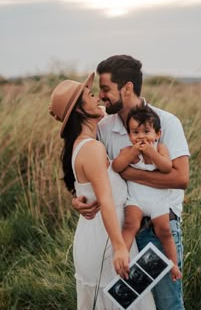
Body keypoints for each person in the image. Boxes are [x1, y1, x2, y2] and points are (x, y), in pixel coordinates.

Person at [72, 55, 190, 310]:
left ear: (127, 88)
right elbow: (91, 169)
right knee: (130, 302)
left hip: (159, 230)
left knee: (168, 303)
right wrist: (77, 196)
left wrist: (130, 173)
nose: (101, 96)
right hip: (124, 231)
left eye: (105, 89)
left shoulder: (165, 122)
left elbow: (180, 178)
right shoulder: (103, 126)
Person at [49, 73, 155, 310]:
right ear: (79, 110)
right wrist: (119, 247)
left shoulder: (83, 142)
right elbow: (106, 200)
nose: (96, 97)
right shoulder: (93, 148)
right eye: (89, 95)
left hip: (100, 235)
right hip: (107, 241)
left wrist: (77, 201)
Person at [112, 104, 182, 281]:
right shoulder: (128, 151)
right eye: (135, 133)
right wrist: (132, 153)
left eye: (146, 131)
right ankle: (123, 258)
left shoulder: (161, 149)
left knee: (164, 230)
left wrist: (152, 153)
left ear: (157, 134)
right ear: (129, 135)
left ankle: (173, 264)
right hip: (136, 199)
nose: (141, 137)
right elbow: (117, 166)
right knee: (130, 225)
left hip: (158, 200)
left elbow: (167, 167)